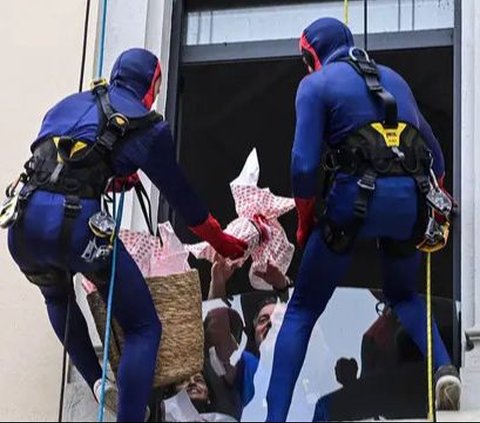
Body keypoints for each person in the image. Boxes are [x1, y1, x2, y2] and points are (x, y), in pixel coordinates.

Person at [6, 48, 247, 422]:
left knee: (58, 299)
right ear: (152, 85)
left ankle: (97, 380)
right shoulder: (147, 125)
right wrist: (221, 241)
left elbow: (68, 162)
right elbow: (185, 200)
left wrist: (115, 171)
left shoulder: (65, 105)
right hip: (75, 226)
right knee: (142, 327)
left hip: (21, 223)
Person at [265, 17, 460, 422]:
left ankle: (275, 416)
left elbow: (302, 168)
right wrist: (436, 202)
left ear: (310, 54)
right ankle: (444, 368)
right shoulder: (396, 80)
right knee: (403, 296)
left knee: (302, 308)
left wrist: (304, 223)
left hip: (352, 206)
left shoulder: (314, 85)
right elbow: (436, 158)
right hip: (410, 210)